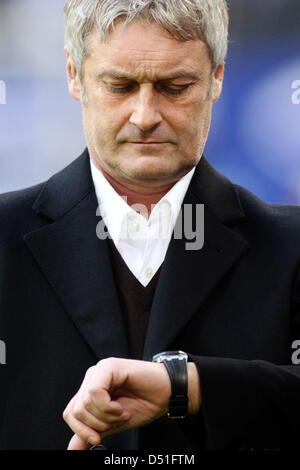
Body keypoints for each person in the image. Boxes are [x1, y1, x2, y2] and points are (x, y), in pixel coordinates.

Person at [0, 0, 300, 451]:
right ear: (73, 74)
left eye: (174, 86)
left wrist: (189, 386)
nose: (145, 116)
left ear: (217, 76)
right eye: (119, 85)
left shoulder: (292, 248)